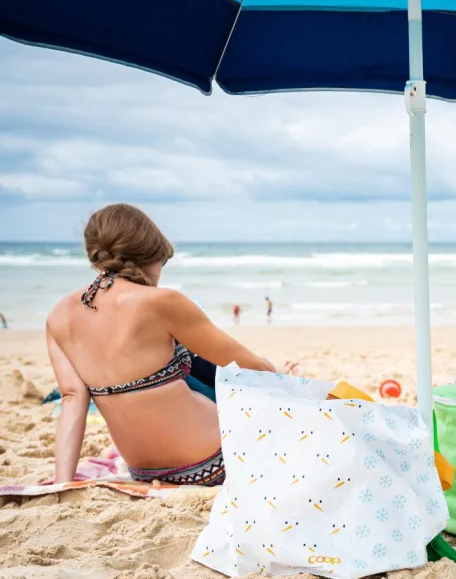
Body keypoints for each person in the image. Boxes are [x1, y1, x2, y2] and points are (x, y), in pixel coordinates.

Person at [46, 203, 296, 486]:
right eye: (163, 261)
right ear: (150, 254)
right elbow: (244, 363)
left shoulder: (58, 315)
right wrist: (277, 373)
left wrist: (62, 484)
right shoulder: (162, 302)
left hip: (144, 470)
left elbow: (72, 400)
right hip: (215, 461)